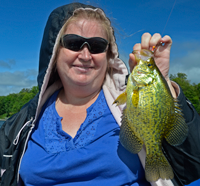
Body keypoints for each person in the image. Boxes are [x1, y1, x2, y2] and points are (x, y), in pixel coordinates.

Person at [0, 2, 200, 186]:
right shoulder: (20, 125)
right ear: (55, 51)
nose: (85, 56)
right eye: (73, 42)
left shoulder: (130, 101)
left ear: (109, 56)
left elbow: (193, 164)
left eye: (97, 46)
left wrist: (163, 87)